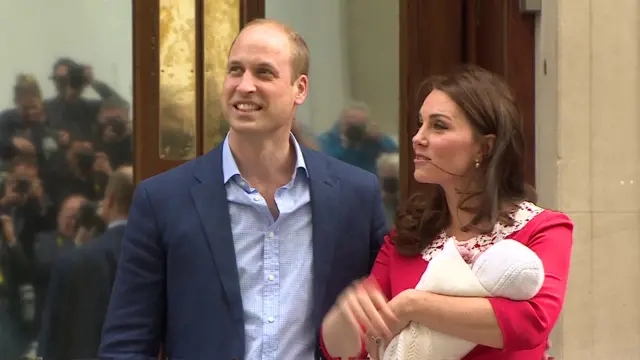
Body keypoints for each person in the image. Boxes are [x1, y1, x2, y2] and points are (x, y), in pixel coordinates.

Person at [99, 19, 387, 360]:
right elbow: (127, 343)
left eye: (264, 73)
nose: (244, 85)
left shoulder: (355, 194)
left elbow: (392, 313)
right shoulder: (161, 200)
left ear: (300, 89)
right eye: (236, 70)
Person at [320, 66, 573, 360]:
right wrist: (342, 317)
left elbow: (532, 322)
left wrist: (413, 305)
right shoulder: (408, 237)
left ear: (485, 147)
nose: (417, 137)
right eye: (420, 124)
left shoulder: (543, 228)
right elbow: (347, 348)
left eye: (438, 126)